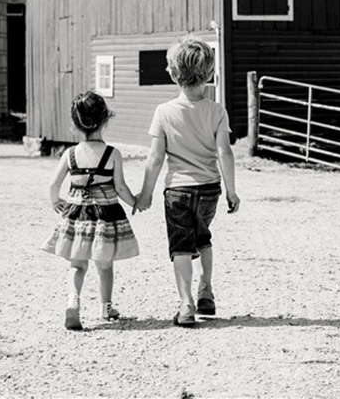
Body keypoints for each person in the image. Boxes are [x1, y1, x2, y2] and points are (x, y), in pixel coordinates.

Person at [136, 35, 241, 328]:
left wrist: (145, 194)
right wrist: (232, 191)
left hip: (178, 191)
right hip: (209, 189)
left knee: (181, 246)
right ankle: (206, 288)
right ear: (209, 74)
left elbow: (155, 159)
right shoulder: (217, 111)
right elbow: (225, 152)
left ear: (172, 73)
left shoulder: (164, 112)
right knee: (203, 237)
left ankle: (186, 304)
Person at [42, 91, 140, 331]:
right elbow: (119, 187)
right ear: (105, 120)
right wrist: (135, 202)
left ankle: (73, 303)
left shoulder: (70, 154)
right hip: (105, 217)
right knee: (104, 265)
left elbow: (54, 185)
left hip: (77, 214)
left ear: (75, 124)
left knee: (77, 264)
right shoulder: (112, 154)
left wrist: (57, 202)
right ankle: (106, 307)